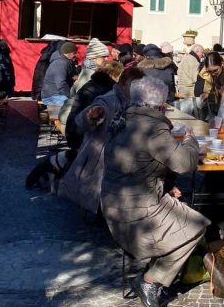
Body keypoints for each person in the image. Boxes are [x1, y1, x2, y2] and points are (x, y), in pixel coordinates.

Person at [102, 77, 209, 307]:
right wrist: (191, 141)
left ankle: (155, 272)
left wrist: (167, 185)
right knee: (196, 227)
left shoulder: (123, 117)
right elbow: (185, 163)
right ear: (160, 105)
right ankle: (150, 280)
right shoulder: (152, 127)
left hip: (112, 200)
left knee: (182, 210)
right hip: (137, 209)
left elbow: (137, 163)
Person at [58, 67, 145, 214]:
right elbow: (82, 120)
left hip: (120, 155)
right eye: (133, 85)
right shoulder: (108, 99)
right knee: (96, 197)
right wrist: (91, 116)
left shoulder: (134, 102)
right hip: (99, 156)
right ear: (123, 83)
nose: (136, 89)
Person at [64, 61, 123, 152]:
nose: (121, 79)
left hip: (74, 129)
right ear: (112, 75)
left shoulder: (95, 84)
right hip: (80, 133)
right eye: (119, 76)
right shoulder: (103, 90)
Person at [59, 38, 110, 125]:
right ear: (94, 58)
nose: (107, 59)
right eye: (103, 57)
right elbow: (84, 105)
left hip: (73, 116)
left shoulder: (88, 71)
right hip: (74, 120)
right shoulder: (90, 75)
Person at [194, 52, 224, 120]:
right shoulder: (205, 71)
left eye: (215, 70)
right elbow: (209, 85)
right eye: (210, 71)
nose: (213, 74)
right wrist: (208, 94)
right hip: (220, 103)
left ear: (222, 64)